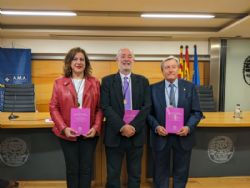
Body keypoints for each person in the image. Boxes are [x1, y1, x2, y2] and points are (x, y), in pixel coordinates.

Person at [50, 47, 103, 188]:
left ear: (86, 63)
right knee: (72, 169)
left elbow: (100, 108)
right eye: (75, 59)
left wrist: (96, 128)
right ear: (69, 62)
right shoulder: (59, 83)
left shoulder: (95, 82)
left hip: (89, 133)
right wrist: (64, 128)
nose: (78, 62)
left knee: (86, 169)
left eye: (82, 59)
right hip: (68, 133)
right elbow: (53, 108)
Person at [148, 56, 203, 188]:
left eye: (173, 67)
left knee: (181, 170)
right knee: (160, 171)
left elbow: (197, 112)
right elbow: (148, 113)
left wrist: (188, 127)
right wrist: (156, 127)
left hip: (183, 136)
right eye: (167, 67)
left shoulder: (190, 87)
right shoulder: (152, 89)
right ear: (162, 71)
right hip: (161, 136)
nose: (170, 70)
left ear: (178, 69)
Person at [101, 48, 151, 188]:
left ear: (133, 60)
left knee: (135, 175)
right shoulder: (107, 81)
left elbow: (146, 107)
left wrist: (133, 126)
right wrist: (122, 126)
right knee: (113, 174)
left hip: (136, 134)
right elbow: (105, 107)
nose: (126, 59)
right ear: (116, 59)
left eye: (129, 56)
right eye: (122, 56)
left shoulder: (143, 81)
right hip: (115, 134)